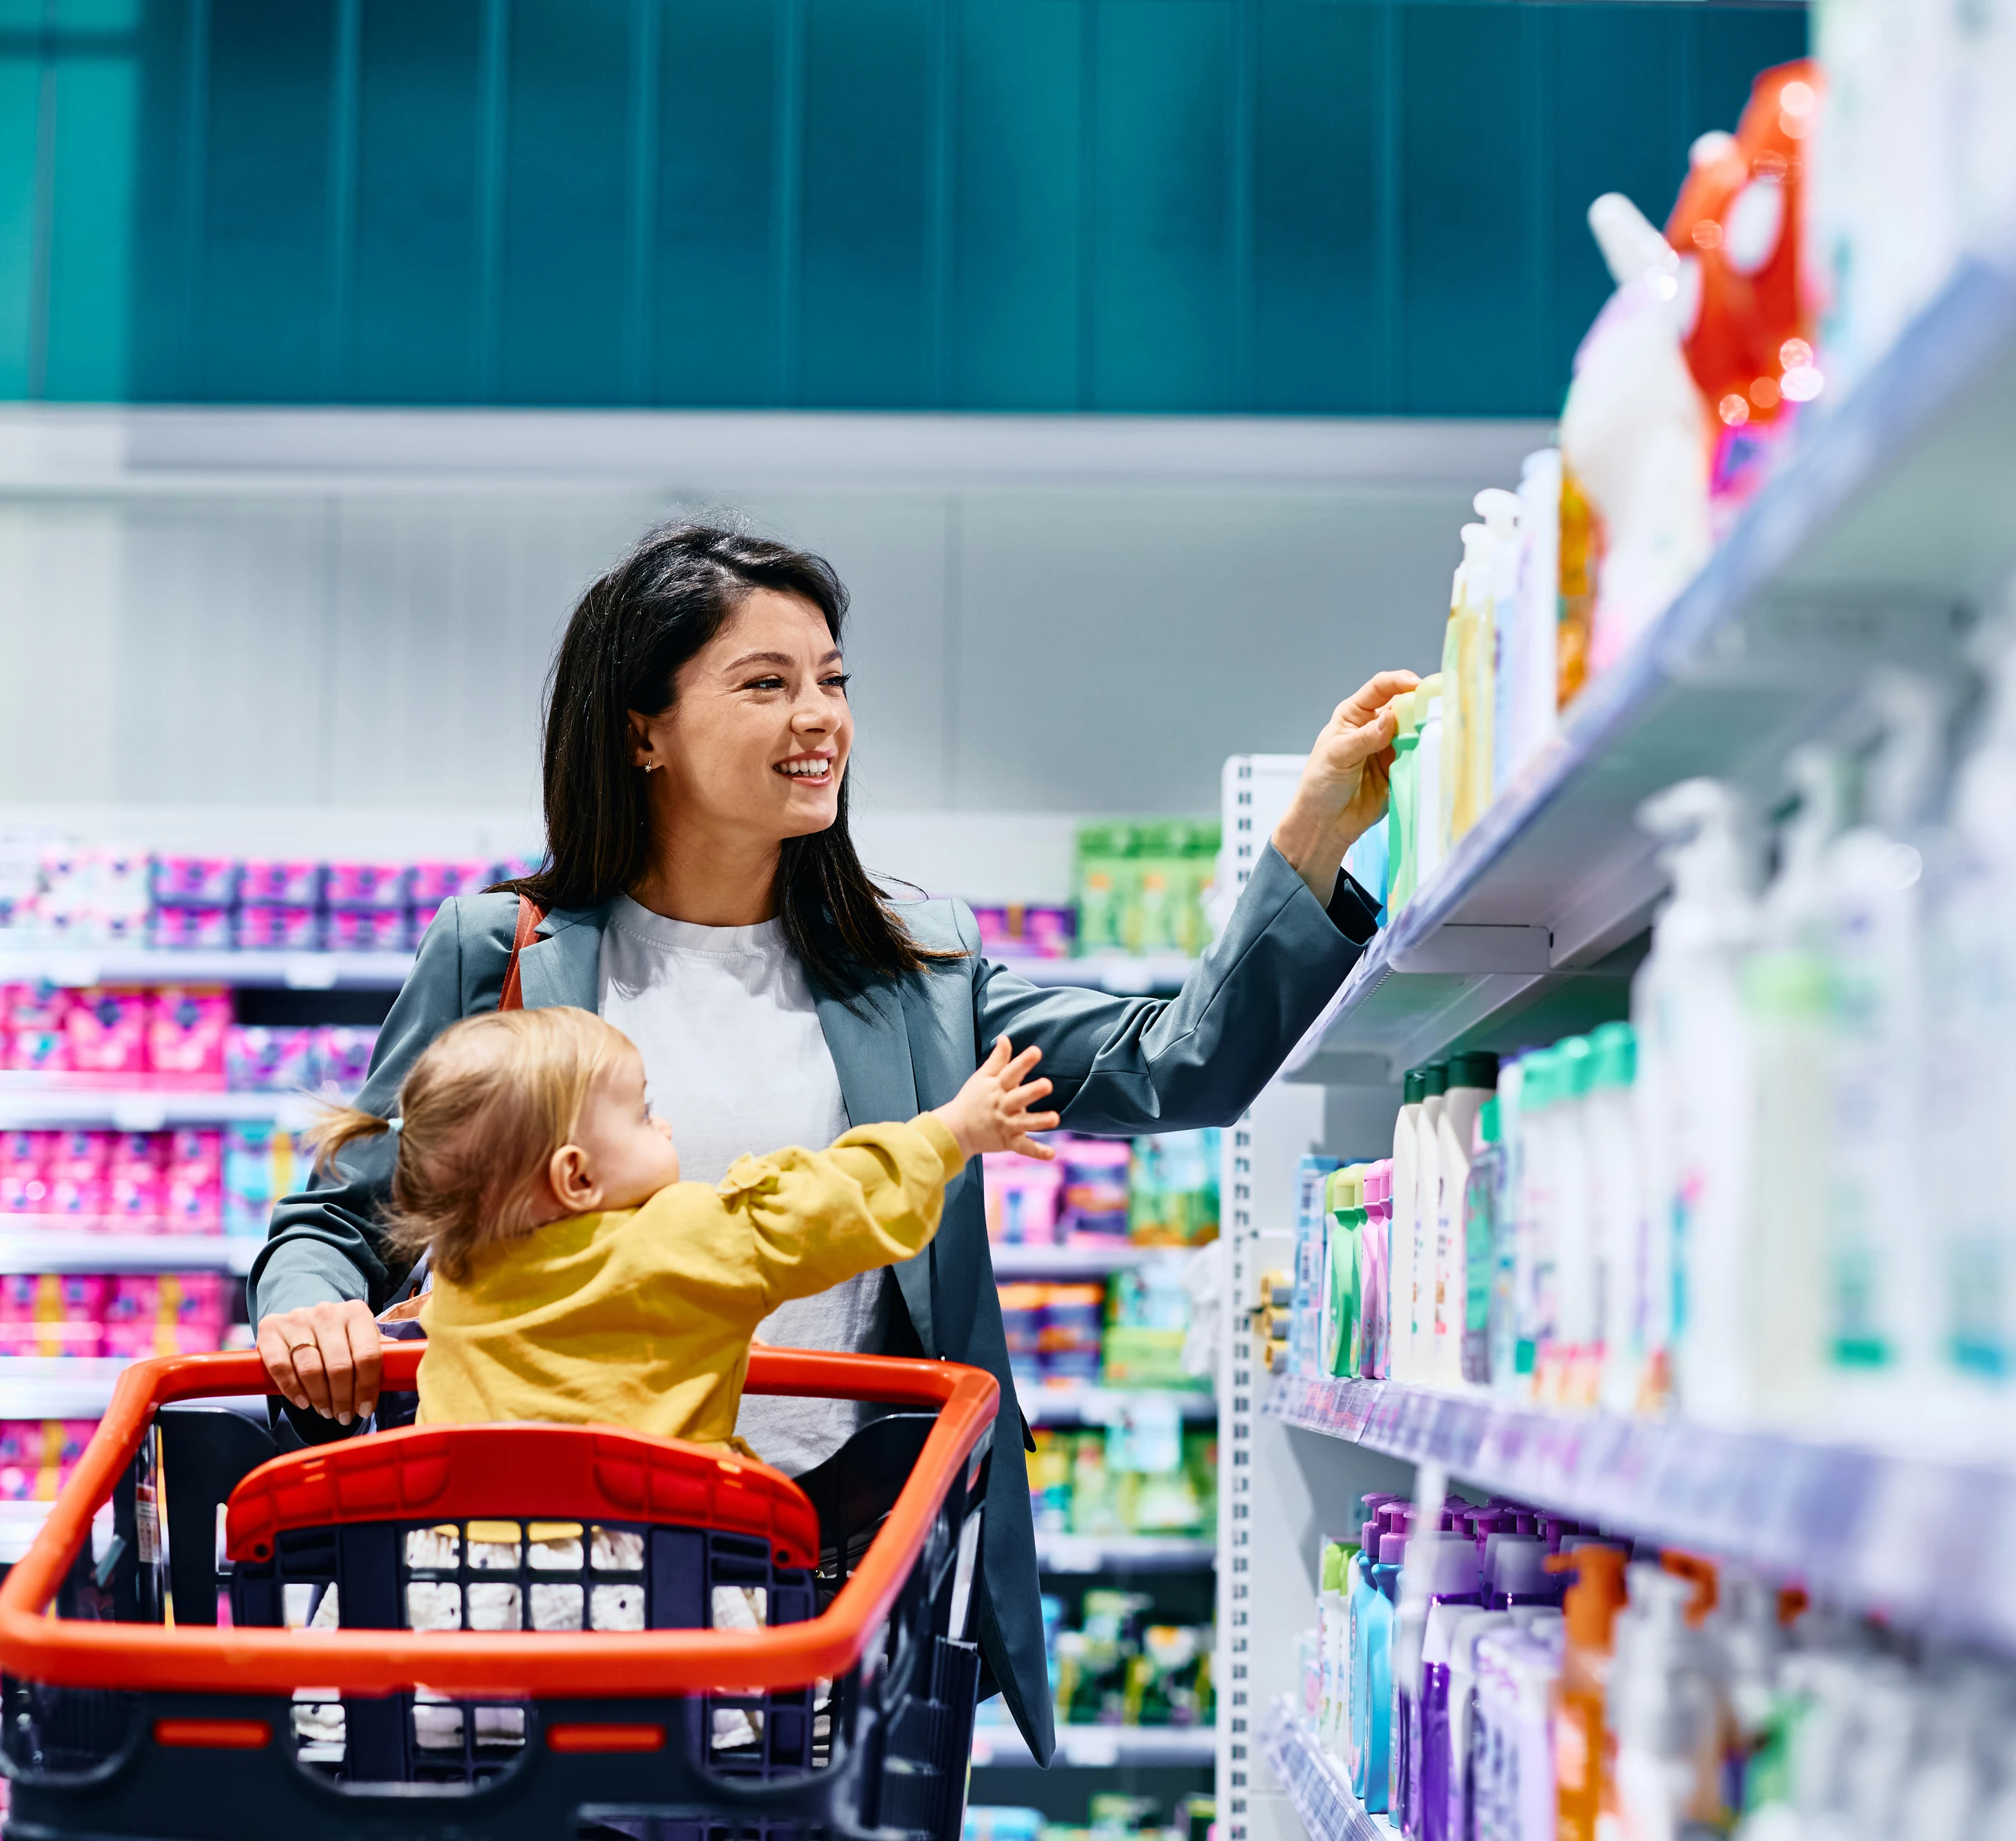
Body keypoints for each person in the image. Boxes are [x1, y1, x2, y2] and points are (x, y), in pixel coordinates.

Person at [252, 517, 1410, 1765]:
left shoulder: (919, 966)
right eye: (765, 684)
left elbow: (1178, 1062)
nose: (820, 719)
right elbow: (347, 1210)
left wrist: (1310, 841)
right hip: (546, 1569)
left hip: (845, 1563)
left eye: (832, 681)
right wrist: (309, 1303)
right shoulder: (508, 952)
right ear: (640, 728)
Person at [308, 1004, 1058, 1447]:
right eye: (641, 1113)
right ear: (577, 1176)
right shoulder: (686, 1239)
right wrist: (949, 1133)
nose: (663, 1122)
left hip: (461, 1590)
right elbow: (829, 1201)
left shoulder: (464, 1277)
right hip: (651, 1590)